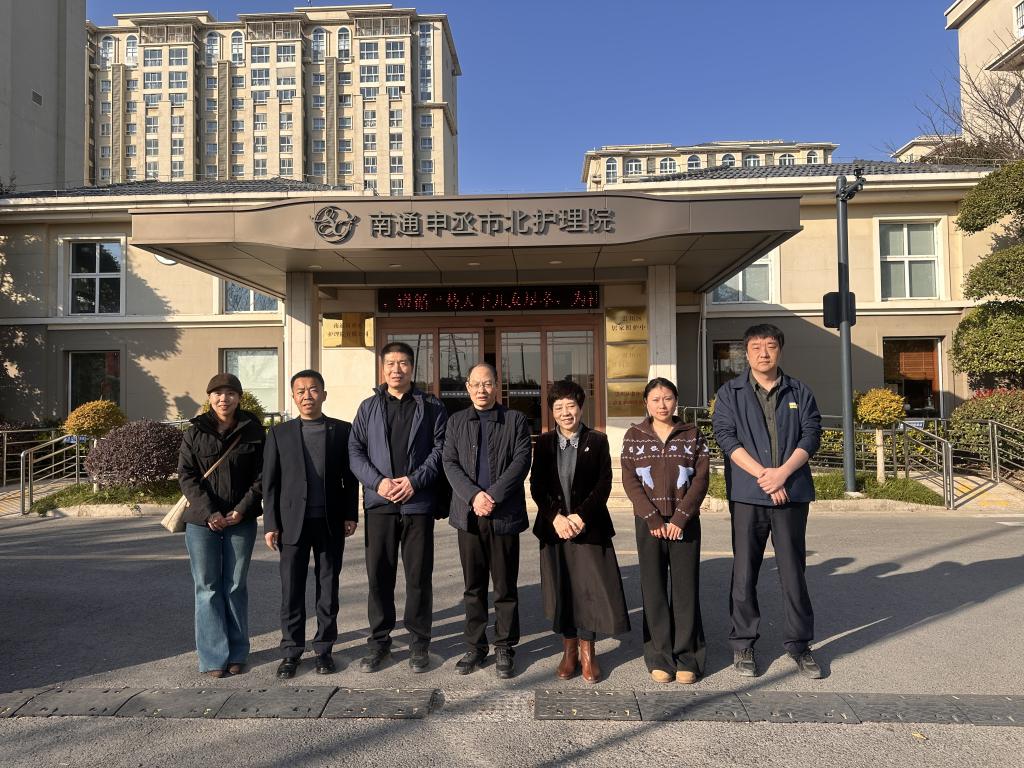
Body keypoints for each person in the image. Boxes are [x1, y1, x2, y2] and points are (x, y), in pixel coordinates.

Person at [711, 323, 823, 679]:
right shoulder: (730, 393)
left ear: (779, 350)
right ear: (746, 353)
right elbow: (725, 437)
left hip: (791, 493)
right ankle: (743, 644)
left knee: (793, 572)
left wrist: (783, 473)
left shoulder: (799, 391)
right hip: (748, 495)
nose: (763, 353)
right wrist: (765, 476)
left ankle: (800, 645)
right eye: (756, 347)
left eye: (770, 346)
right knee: (745, 573)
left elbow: (811, 435)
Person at [349, 341, 448, 674]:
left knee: (418, 577)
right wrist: (378, 483)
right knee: (379, 577)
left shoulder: (431, 406)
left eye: (403, 363)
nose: (396, 369)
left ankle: (419, 643)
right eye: (390, 363)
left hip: (417, 503)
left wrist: (414, 481)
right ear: (382, 368)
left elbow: (440, 449)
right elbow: (355, 452)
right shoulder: (368, 407)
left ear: (412, 367)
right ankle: (379, 643)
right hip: (381, 504)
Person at [530, 379, 629, 684]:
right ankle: (569, 651)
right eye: (558, 407)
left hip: (589, 527)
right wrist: (556, 518)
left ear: (581, 407)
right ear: (552, 411)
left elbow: (603, 484)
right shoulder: (544, 443)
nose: (565, 412)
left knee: (589, 592)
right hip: (554, 530)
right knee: (562, 589)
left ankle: (588, 652)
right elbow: (537, 486)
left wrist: (580, 517)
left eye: (570, 405)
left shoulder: (597, 440)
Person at [263, 369, 359, 679]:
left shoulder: (341, 430)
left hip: (330, 522)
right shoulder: (279, 434)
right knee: (291, 589)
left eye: (314, 389)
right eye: (301, 391)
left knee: (328, 587)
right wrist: (271, 523)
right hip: (292, 523)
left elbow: (350, 478)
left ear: (324, 394)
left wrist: (350, 514)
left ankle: (324, 649)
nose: (308, 395)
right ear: (293, 396)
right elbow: (270, 483)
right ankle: (291, 651)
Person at [442, 362, 532, 679]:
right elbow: (449, 462)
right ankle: (475, 646)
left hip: (503, 513)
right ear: (468, 387)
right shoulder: (456, 422)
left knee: (505, 586)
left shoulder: (515, 420)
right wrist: (473, 496)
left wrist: (491, 496)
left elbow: (521, 461)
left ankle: (505, 646)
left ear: (497, 386)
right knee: (474, 587)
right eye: (476, 384)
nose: (482, 389)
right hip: (468, 515)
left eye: (488, 383)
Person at [621, 377, 710, 685]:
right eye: (656, 399)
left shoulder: (692, 434)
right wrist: (654, 520)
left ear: (676, 401)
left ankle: (688, 656)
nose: (662, 404)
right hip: (650, 524)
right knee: (654, 589)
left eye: (668, 398)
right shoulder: (634, 435)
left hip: (685, 522)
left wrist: (680, 518)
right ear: (646, 403)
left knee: (685, 590)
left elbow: (701, 479)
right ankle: (659, 656)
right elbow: (630, 480)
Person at [177, 373, 265, 678]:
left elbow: (263, 476)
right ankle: (213, 657)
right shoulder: (195, 431)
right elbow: (186, 476)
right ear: (209, 398)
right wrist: (210, 512)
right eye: (217, 393)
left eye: (230, 393)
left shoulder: (254, 431)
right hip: (202, 522)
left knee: (235, 585)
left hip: (241, 520)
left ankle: (238, 652)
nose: (223, 399)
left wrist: (241, 510)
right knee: (207, 587)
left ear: (239, 398)